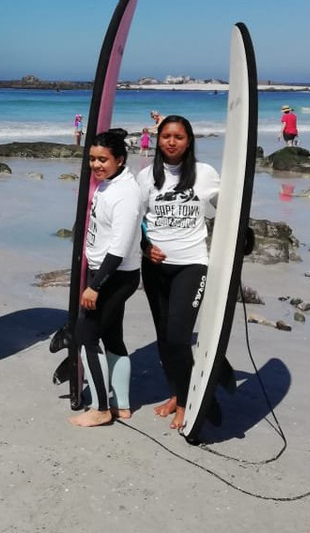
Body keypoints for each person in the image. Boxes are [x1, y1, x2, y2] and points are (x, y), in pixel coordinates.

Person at [137, 116, 220, 430]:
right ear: (158, 140)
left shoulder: (205, 174)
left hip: (192, 264)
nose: (172, 142)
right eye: (166, 136)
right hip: (155, 267)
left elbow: (228, 206)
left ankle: (187, 401)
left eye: (179, 137)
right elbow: (136, 219)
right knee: (163, 339)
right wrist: (145, 247)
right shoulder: (146, 176)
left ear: (189, 141)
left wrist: (241, 234)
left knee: (178, 337)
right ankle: (176, 392)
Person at [70, 128, 143, 428]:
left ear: (120, 160)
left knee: (86, 335)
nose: (96, 165)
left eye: (103, 160)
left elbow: (120, 247)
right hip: (110, 273)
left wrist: (95, 286)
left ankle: (101, 408)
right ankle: (122, 405)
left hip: (113, 275)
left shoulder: (125, 194)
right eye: (92, 159)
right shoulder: (110, 183)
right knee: (113, 337)